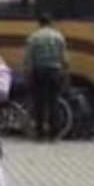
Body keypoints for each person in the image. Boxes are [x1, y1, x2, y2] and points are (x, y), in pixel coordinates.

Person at [23, 14, 70, 142]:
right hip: (55, 72)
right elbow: (65, 59)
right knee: (53, 101)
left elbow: (28, 59)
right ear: (51, 22)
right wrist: (65, 73)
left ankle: (40, 132)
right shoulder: (58, 36)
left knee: (39, 102)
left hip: (39, 72)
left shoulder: (33, 37)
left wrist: (28, 74)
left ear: (39, 23)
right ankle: (54, 132)